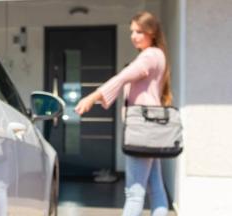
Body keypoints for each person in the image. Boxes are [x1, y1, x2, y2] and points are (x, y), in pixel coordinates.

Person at [74, 11, 172, 216]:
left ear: (151, 32)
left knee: (134, 193)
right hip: (151, 128)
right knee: (156, 189)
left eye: (139, 31)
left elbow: (122, 77)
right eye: (132, 31)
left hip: (142, 130)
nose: (133, 36)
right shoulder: (158, 55)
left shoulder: (149, 56)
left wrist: (93, 97)